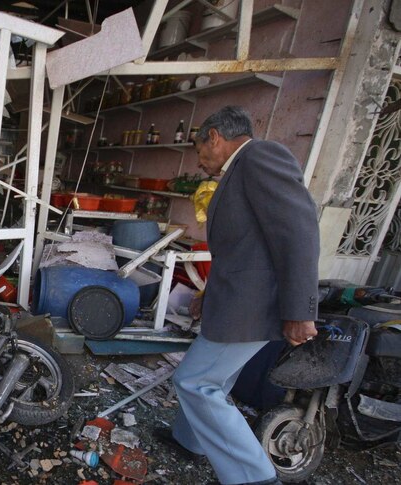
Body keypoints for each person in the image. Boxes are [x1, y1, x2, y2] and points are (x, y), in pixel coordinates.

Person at [158, 106, 320, 485]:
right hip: (234, 301)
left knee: (195, 382)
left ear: (214, 136)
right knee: (216, 380)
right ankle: (189, 442)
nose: (200, 162)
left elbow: (299, 233)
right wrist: (207, 293)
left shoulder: (260, 157)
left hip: (252, 306)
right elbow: (243, 250)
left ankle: (255, 476)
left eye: (199, 151)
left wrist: (300, 310)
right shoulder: (238, 171)